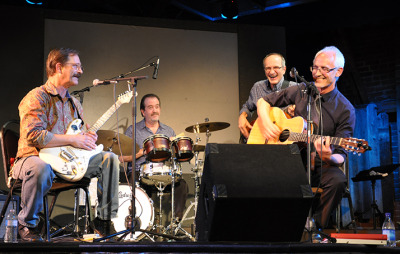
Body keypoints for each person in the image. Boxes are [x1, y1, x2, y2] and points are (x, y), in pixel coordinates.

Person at [12, 48, 120, 241]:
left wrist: (85, 141)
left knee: (109, 159)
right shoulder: (37, 96)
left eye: (80, 66)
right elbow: (34, 135)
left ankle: (103, 221)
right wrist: (73, 139)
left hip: (65, 164)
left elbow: (74, 140)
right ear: (59, 67)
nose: (81, 70)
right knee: (40, 168)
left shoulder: (75, 104)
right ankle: (29, 225)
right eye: (76, 66)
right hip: (32, 159)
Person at [256, 46, 356, 229]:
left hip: (318, 166)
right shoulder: (302, 91)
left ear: (339, 71)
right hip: (287, 161)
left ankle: (313, 227)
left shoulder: (345, 109)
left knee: (338, 181)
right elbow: (263, 101)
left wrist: (328, 156)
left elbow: (342, 154)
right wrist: (266, 122)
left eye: (324, 69)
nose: (317, 73)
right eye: (315, 68)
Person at [119, 93, 188, 223]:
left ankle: (176, 222)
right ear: (143, 112)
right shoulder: (133, 130)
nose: (155, 110)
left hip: (164, 174)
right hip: (140, 174)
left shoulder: (168, 131)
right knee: (136, 181)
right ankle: (144, 222)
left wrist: (175, 148)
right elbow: (121, 158)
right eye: (150, 107)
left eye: (157, 106)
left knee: (182, 185)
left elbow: (175, 159)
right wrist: (141, 153)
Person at [239, 53, 297, 140]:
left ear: (284, 69)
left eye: (276, 67)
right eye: (268, 68)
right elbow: (248, 107)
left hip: (285, 141)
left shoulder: (295, 88)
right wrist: (242, 116)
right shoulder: (258, 87)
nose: (272, 72)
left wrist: (297, 111)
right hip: (263, 140)